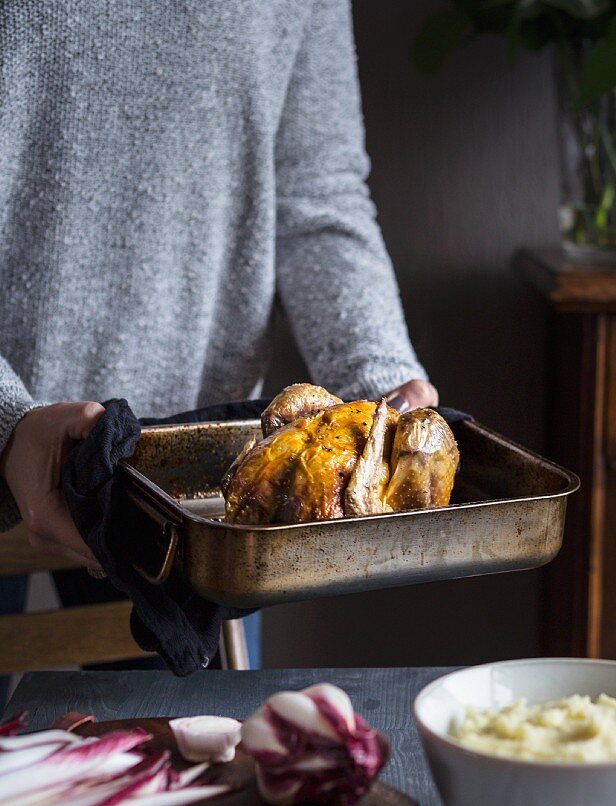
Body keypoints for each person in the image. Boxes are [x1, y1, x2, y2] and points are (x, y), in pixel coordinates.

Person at [0, 1, 437, 673]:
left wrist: (382, 387)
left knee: (194, 770)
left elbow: (313, 196)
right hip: (16, 423)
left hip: (188, 486)